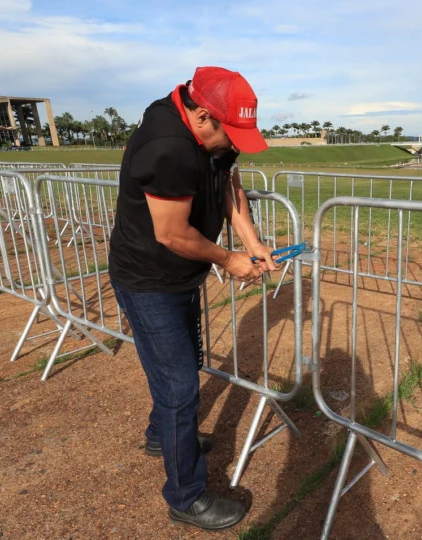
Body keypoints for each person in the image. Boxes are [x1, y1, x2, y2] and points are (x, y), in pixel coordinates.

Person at [108, 67, 276, 532]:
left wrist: (253, 242)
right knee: (181, 386)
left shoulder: (208, 135)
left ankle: (161, 435)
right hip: (148, 279)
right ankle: (186, 497)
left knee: (181, 365)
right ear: (202, 116)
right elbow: (172, 233)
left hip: (180, 275)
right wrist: (229, 259)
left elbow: (229, 185)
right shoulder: (168, 146)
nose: (232, 144)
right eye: (230, 133)